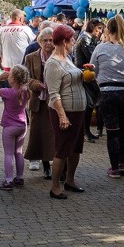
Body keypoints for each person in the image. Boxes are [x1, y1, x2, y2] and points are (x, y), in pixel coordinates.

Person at [44, 24, 88, 200]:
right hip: (65, 111)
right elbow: (53, 93)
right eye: (72, 40)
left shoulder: (67, 58)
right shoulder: (53, 63)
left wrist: (86, 73)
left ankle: (70, 180)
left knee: (76, 148)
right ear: (64, 41)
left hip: (78, 110)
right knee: (62, 149)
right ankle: (55, 187)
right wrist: (62, 115)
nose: (74, 43)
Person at [91, 15, 124, 178]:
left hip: (107, 92)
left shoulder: (100, 49)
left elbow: (92, 70)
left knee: (112, 131)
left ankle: (114, 167)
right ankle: (123, 165)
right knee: (123, 128)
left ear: (108, 30)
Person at [0, 65, 30, 191]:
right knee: (19, 152)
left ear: (13, 79)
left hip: (10, 126)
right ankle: (20, 177)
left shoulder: (8, 92)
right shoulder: (26, 92)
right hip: (22, 125)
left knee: (9, 153)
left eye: (10, 75)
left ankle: (9, 180)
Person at [24, 27, 57, 180]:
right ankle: (42, 163)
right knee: (38, 132)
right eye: (45, 40)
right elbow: (26, 78)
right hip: (38, 100)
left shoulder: (59, 56)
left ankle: (54, 163)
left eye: (51, 40)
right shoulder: (31, 57)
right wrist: (36, 84)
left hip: (55, 101)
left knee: (52, 133)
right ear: (40, 41)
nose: (49, 43)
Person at [75, 19, 105, 141]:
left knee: (91, 103)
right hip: (85, 74)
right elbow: (91, 57)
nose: (100, 32)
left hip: (87, 74)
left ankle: (88, 130)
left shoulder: (87, 38)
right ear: (92, 27)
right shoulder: (85, 38)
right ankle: (86, 131)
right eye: (98, 28)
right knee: (89, 104)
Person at [0, 10, 34, 78]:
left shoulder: (2, 30)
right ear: (20, 19)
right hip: (22, 66)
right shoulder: (26, 30)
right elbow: (33, 46)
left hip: (6, 67)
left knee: (7, 88)